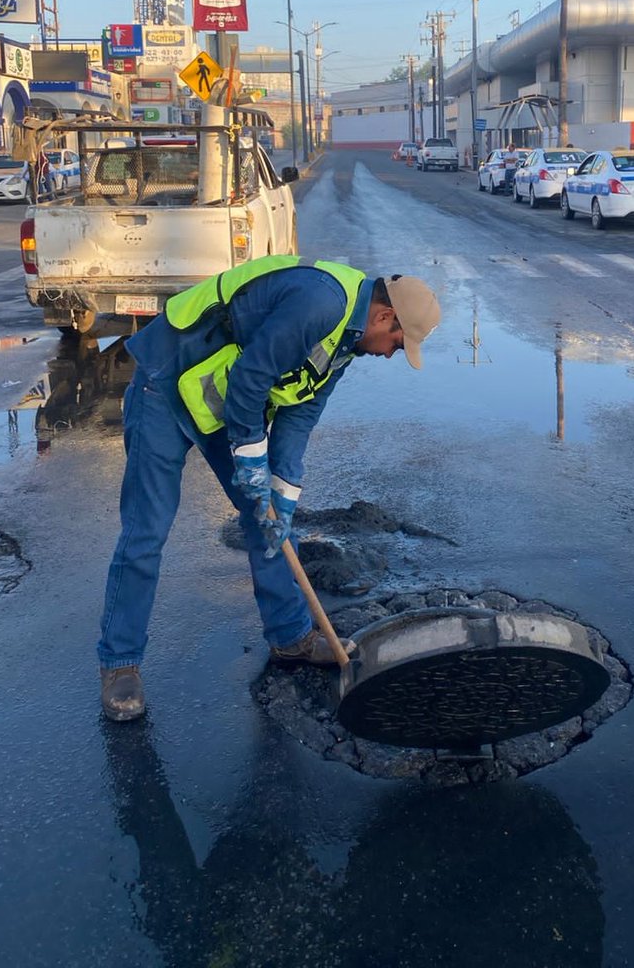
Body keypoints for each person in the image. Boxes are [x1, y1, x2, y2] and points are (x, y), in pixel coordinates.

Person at [97, 256, 441, 721]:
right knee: (147, 530)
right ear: (384, 316)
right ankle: (120, 662)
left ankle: (291, 637)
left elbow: (300, 416)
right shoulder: (321, 302)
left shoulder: (345, 345)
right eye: (398, 343)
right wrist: (250, 458)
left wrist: (281, 490)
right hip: (166, 383)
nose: (391, 354)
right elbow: (251, 378)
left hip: (218, 401)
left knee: (272, 521)